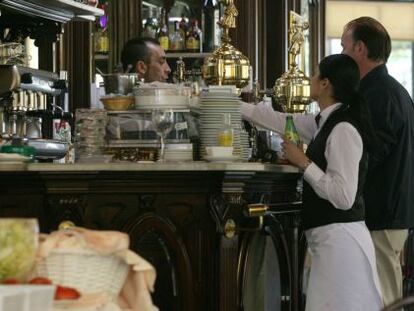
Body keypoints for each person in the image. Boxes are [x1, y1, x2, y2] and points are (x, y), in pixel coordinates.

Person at [241, 54, 382, 311]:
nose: (311, 79)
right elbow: (277, 120)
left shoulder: (343, 130)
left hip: (342, 242)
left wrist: (303, 162)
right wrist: (226, 104)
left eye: (315, 75)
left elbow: (343, 196)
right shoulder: (324, 121)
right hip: (330, 241)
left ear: (326, 84)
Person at [341, 16, 414, 307]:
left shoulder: (379, 94)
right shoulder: (389, 89)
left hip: (383, 212)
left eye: (345, 46)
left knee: (384, 295)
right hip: (388, 211)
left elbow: (370, 152)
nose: (343, 54)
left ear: (360, 48)